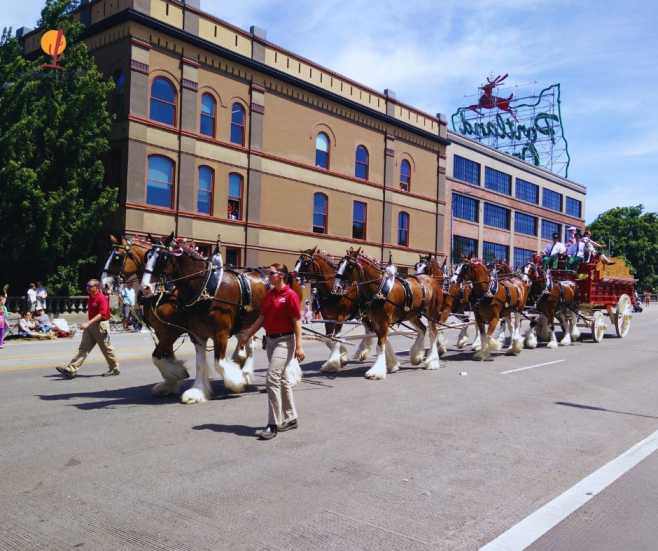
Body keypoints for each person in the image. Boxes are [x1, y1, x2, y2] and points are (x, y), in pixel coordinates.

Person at [239, 264, 304, 441]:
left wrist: (299, 346)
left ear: (281, 275)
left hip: (285, 341)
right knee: (282, 380)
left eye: (272, 273)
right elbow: (262, 318)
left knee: (272, 379)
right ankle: (291, 418)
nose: (269, 275)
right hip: (271, 341)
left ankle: (273, 424)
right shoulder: (270, 295)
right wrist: (247, 335)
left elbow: (296, 321)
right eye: (269, 272)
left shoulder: (290, 295)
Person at [56, 279, 119, 378]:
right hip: (90, 326)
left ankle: (114, 368)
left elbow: (101, 314)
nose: (87, 288)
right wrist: (88, 324)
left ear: (96, 287)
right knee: (83, 349)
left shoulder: (101, 298)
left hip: (101, 326)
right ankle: (71, 369)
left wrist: (88, 323)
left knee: (106, 349)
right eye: (87, 286)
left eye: (90, 286)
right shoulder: (91, 296)